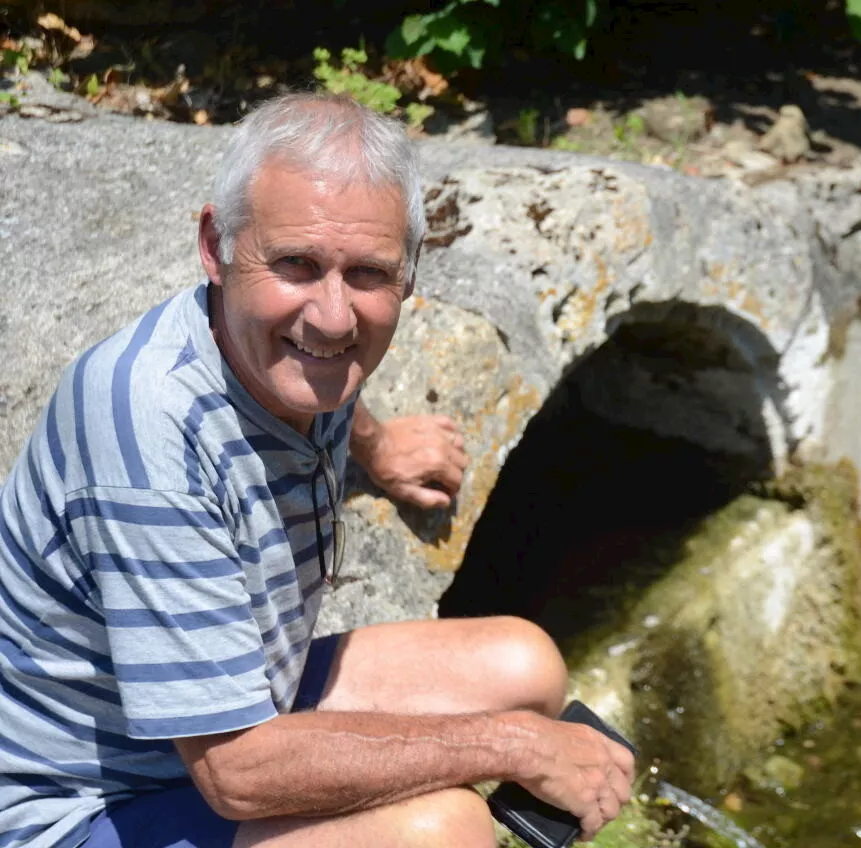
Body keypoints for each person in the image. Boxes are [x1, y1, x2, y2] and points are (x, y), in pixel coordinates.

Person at [0, 92, 635, 848]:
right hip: (83, 803)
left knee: (523, 662)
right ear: (216, 245)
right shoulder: (147, 428)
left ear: (409, 271)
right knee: (444, 832)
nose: (332, 317)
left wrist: (377, 446)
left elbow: (328, 374)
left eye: (368, 273)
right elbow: (235, 774)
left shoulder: (290, 352)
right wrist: (513, 747)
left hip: (237, 699)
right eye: (296, 264)